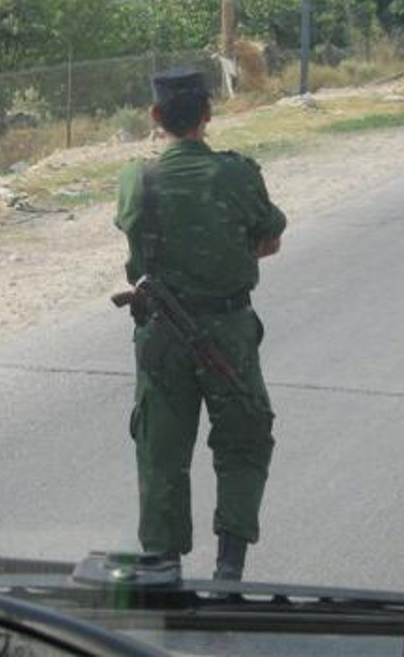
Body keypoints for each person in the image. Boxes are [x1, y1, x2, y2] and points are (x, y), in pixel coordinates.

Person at [114, 67, 286, 581]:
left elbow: (132, 234)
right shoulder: (236, 174)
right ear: (208, 116)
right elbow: (270, 237)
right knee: (244, 439)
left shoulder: (135, 179)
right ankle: (229, 566)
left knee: (161, 449)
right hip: (228, 330)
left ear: (155, 116)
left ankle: (162, 566)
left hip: (161, 335)